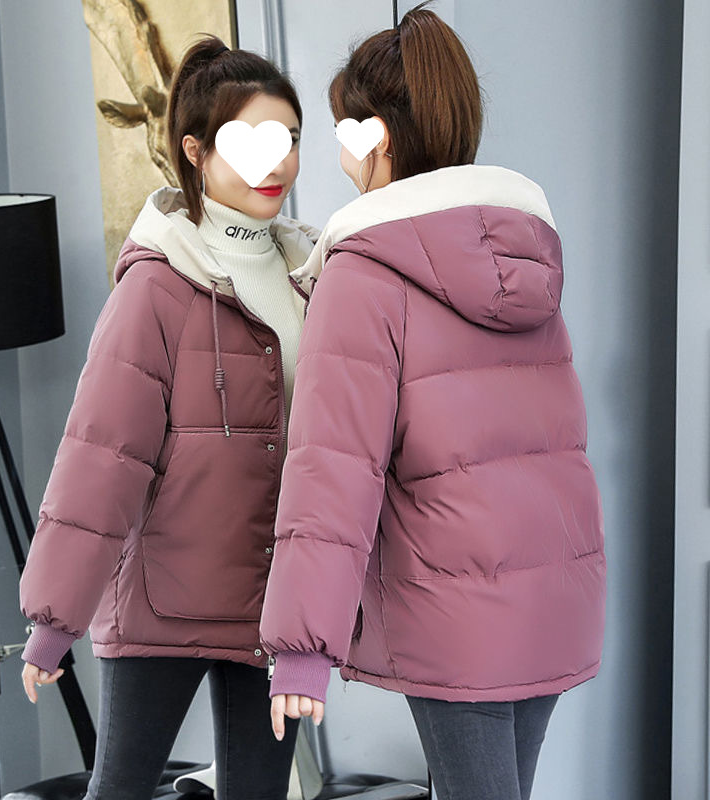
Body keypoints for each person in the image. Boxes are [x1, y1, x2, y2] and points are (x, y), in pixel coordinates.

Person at [258, 5, 607, 800]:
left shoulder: (364, 270)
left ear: (375, 135)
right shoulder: (525, 254)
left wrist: (302, 646)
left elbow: (333, 466)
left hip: (457, 607)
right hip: (555, 592)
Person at [17, 35, 321, 800]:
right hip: (163, 602)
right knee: (119, 789)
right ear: (195, 150)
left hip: (272, 605)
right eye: (250, 142)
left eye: (289, 139)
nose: (277, 163)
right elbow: (101, 457)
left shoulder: (315, 277)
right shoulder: (156, 287)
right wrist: (55, 620)